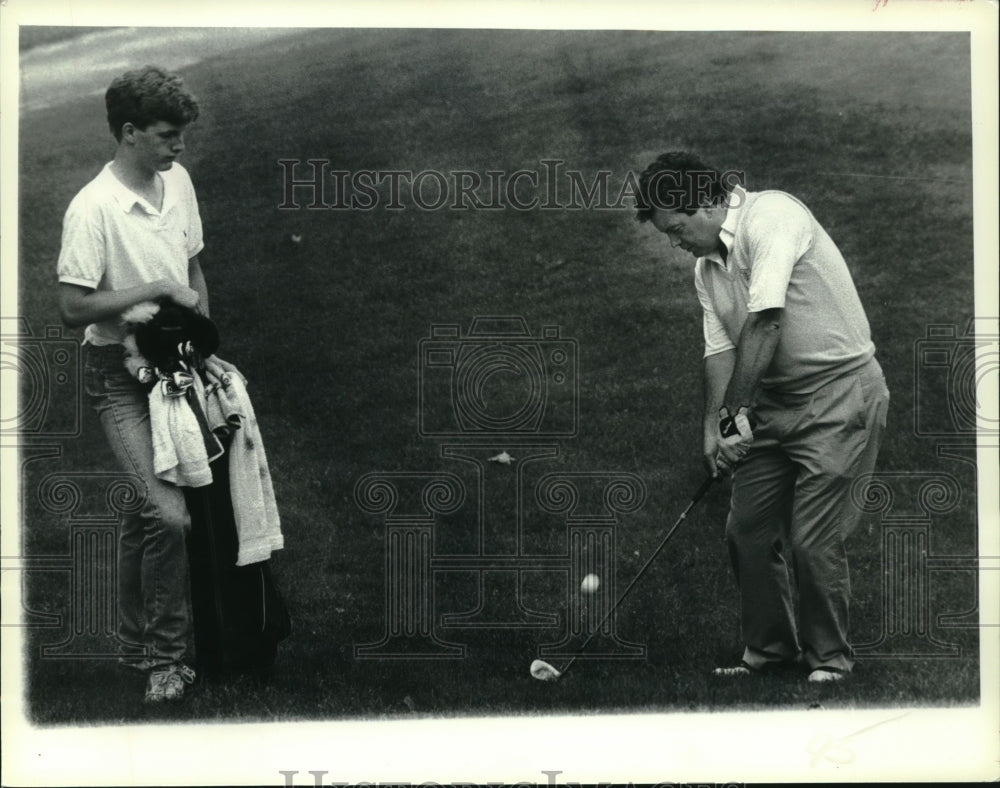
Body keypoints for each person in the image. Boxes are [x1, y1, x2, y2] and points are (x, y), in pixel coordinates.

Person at [636, 151, 889, 682]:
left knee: (813, 538)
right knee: (746, 531)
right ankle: (770, 653)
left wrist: (734, 417)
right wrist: (714, 428)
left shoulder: (771, 216)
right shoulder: (707, 269)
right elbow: (720, 351)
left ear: (707, 204)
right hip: (772, 406)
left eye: (678, 229)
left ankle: (829, 662)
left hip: (840, 395)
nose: (676, 243)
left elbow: (767, 322)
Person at [57, 65, 242, 702]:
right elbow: (73, 307)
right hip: (119, 379)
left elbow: (191, 264)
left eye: (181, 135)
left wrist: (202, 345)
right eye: (167, 135)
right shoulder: (93, 208)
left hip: (176, 368)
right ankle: (168, 660)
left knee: (148, 518)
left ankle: (135, 648)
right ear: (129, 132)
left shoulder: (177, 181)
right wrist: (159, 291)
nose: (179, 146)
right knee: (169, 515)